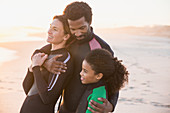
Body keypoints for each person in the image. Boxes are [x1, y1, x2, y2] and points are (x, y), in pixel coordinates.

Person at [35, 1, 119, 113]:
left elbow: (115, 79)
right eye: (73, 29)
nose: (78, 33)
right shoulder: (67, 40)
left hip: (86, 108)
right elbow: (37, 53)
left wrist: (111, 105)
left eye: (82, 28)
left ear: (90, 21)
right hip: (64, 108)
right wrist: (46, 63)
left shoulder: (101, 47)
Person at [20, 15, 74, 113]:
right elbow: (27, 88)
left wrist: (36, 67)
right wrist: (32, 68)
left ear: (66, 36)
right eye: (50, 27)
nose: (49, 31)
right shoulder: (46, 53)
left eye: (55, 29)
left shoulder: (63, 60)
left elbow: (47, 98)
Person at [75, 49, 129, 113]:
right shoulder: (96, 87)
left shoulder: (97, 97)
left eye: (85, 71)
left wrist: (111, 106)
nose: (80, 73)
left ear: (98, 76)